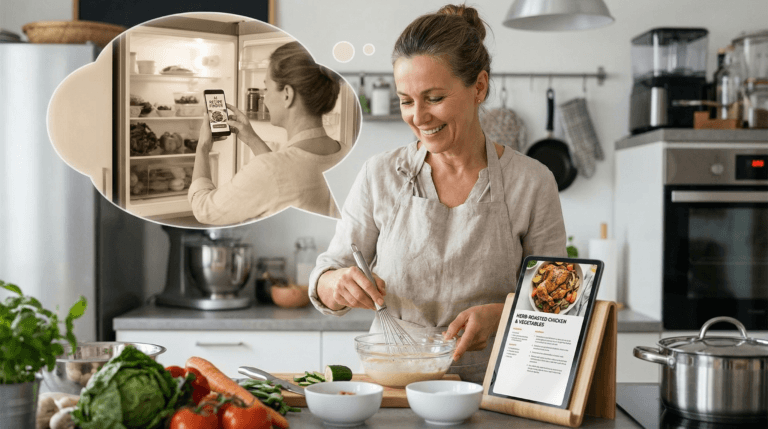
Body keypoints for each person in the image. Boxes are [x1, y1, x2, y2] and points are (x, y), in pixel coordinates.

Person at [308, 4, 567, 383]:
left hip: (495, 384)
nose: (418, 117)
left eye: (434, 98)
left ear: (479, 87)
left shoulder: (533, 182)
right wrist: (336, 284)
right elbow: (327, 273)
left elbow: (558, 303)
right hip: (395, 379)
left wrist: (502, 315)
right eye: (406, 100)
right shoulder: (380, 175)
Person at [188, 41, 346, 225]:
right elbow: (284, 178)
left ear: (287, 94)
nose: (265, 99)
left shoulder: (269, 170)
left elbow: (204, 208)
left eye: (267, 89)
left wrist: (203, 147)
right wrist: (252, 139)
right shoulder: (347, 153)